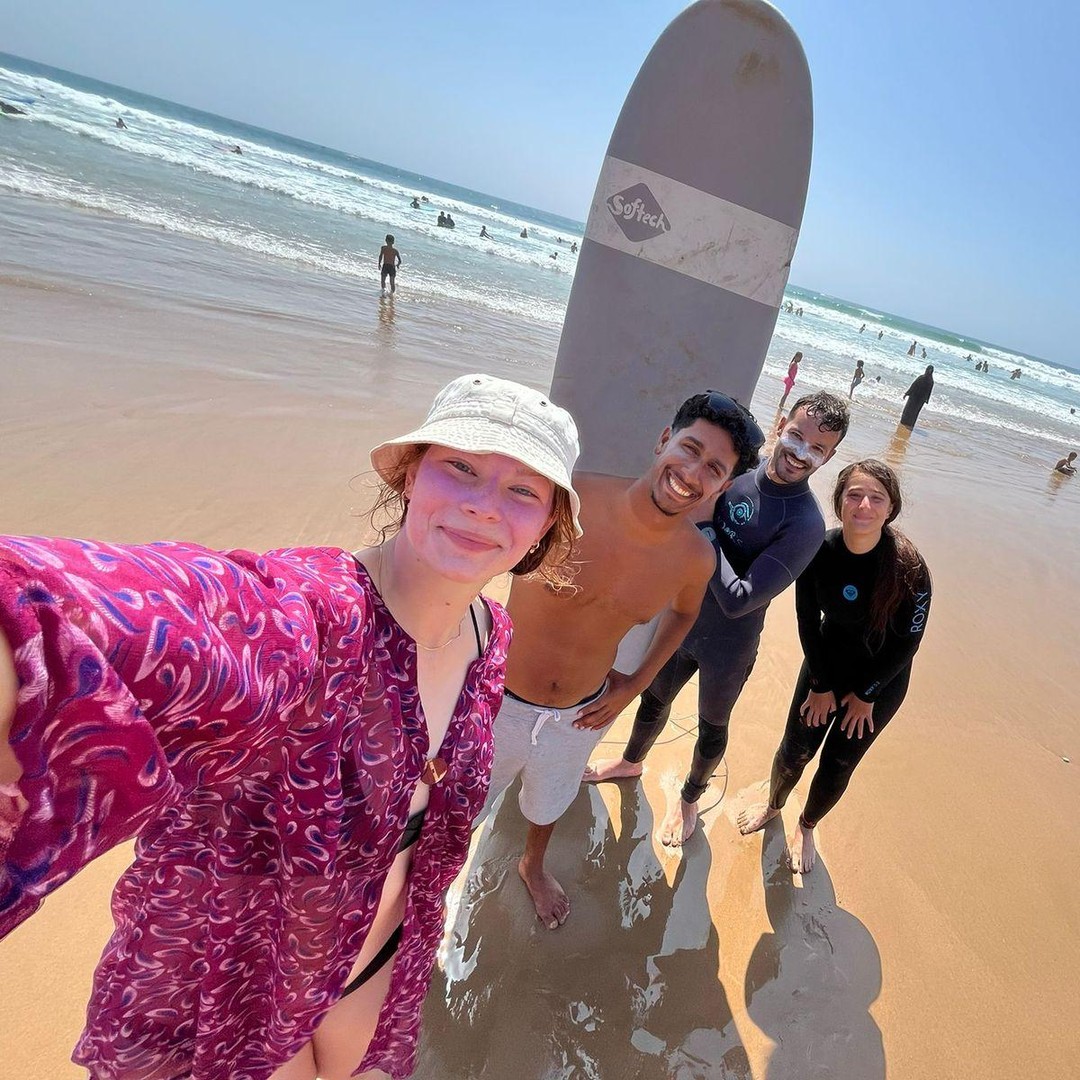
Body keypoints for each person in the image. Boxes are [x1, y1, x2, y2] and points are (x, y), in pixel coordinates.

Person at [0, 374, 582, 1080]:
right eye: (460, 466)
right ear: (409, 474)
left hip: (376, 969)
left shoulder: (491, 637)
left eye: (524, 491)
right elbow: (138, 624)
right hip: (225, 990)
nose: (484, 505)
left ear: (545, 527)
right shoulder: (315, 615)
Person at [480, 392, 765, 927]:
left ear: (723, 486)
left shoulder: (694, 558)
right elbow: (486, 544)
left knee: (550, 800)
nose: (692, 472)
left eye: (714, 468)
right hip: (497, 696)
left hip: (581, 712)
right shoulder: (573, 497)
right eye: (689, 448)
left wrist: (636, 683)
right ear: (663, 440)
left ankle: (531, 865)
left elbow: (682, 617)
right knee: (458, 805)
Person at [586, 393, 849, 845]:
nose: (800, 453)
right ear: (781, 423)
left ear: (829, 456)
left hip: (729, 643)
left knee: (711, 727)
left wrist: (706, 526)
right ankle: (631, 762)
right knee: (653, 700)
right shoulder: (736, 472)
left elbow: (738, 598)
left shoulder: (804, 524)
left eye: (818, 449)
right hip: (681, 619)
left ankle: (690, 798)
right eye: (796, 436)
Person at [738, 459, 932, 873]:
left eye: (876, 498)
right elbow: (807, 620)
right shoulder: (819, 551)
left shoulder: (909, 569)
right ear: (839, 502)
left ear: (890, 508)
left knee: (839, 762)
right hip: (825, 666)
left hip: (881, 681)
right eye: (854, 495)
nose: (864, 505)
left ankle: (807, 825)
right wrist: (821, 684)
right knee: (794, 752)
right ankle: (774, 805)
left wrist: (866, 695)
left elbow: (908, 643)